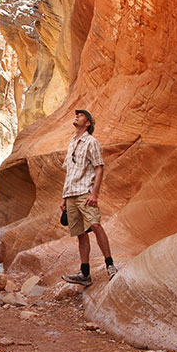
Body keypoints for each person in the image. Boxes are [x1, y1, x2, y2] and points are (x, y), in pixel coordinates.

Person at [60, 109, 117, 286]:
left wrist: (94, 194)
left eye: (81, 115)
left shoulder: (91, 142)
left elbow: (99, 167)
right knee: (80, 234)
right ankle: (85, 273)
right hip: (71, 194)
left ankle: (110, 265)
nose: (77, 116)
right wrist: (64, 197)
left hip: (85, 191)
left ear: (87, 124)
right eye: (77, 114)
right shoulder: (71, 143)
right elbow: (69, 171)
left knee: (95, 225)